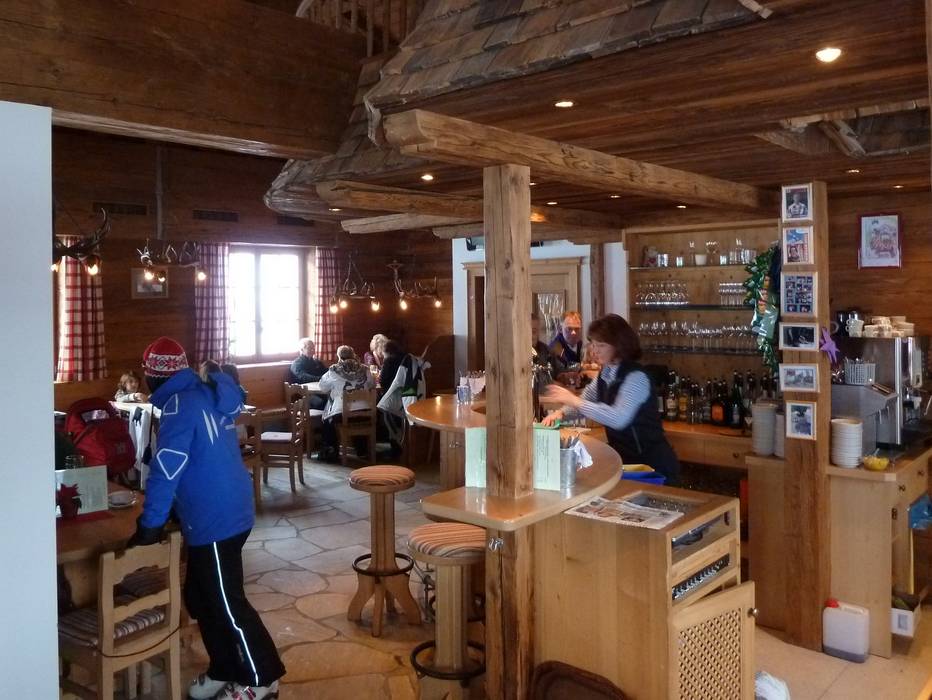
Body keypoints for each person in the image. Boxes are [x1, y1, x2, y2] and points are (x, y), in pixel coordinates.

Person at [127, 337, 284, 700]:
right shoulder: (204, 392)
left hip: (214, 518)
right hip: (229, 509)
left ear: (153, 376)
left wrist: (151, 524)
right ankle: (224, 668)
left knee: (227, 604)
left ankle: (262, 679)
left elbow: (167, 469)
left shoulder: (180, 406)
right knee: (200, 597)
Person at [541, 314, 680, 484]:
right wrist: (561, 414)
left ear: (619, 345)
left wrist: (573, 400)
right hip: (627, 461)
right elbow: (587, 399)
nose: (595, 350)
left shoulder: (637, 377)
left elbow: (618, 418)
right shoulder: (605, 373)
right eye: (593, 344)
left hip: (653, 467)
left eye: (601, 345)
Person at [318, 345, 376, 459]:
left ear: (339, 357)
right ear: (353, 355)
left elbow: (323, 387)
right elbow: (372, 384)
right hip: (366, 412)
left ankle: (331, 451)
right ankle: (362, 450)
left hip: (342, 414)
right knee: (357, 411)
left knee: (328, 419)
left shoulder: (334, 370)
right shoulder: (365, 369)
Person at [549, 311, 585, 384]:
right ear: (560, 329)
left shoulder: (579, 343)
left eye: (577, 329)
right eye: (569, 329)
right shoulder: (555, 347)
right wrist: (583, 366)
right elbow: (563, 369)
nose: (573, 333)